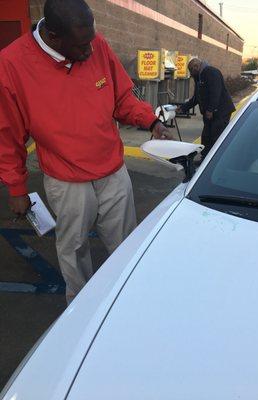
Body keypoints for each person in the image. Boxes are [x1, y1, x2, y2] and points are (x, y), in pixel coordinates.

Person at [0, 0, 171, 303]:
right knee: (74, 247)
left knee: (125, 243)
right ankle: (78, 306)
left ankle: (128, 300)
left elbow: (121, 97)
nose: (91, 51)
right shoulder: (11, 65)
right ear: (53, 36)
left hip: (113, 172)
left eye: (92, 41)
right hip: (67, 179)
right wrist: (16, 187)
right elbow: (8, 135)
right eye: (82, 47)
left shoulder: (95, 43)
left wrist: (150, 119)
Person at [179, 58, 235, 158]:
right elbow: (197, 97)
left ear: (196, 66)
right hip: (209, 113)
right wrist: (183, 108)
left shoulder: (211, 72)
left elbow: (215, 93)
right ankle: (204, 159)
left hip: (221, 112)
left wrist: (210, 110)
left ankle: (215, 161)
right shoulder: (199, 77)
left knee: (216, 137)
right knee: (206, 137)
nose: (191, 74)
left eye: (191, 70)